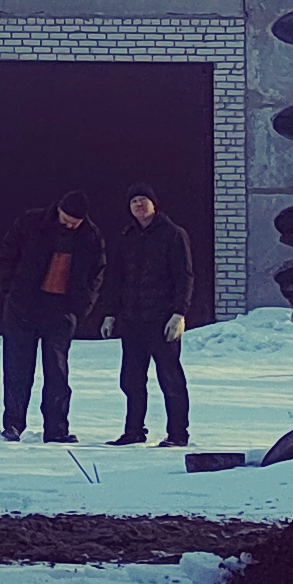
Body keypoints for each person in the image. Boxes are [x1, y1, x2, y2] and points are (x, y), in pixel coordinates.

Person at [0, 191, 106, 441]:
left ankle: (56, 430)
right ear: (59, 210)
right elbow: (7, 253)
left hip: (61, 310)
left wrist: (80, 308)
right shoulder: (31, 222)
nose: (69, 225)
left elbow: (96, 275)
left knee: (57, 372)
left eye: (75, 223)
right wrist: (9, 288)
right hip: (23, 306)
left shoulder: (91, 237)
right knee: (17, 368)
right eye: (66, 220)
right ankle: (13, 425)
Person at [107, 188, 193, 446]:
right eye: (133, 201)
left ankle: (178, 434)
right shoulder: (127, 237)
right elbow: (116, 278)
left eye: (142, 200)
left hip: (162, 319)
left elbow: (184, 276)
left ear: (154, 204)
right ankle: (133, 431)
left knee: (170, 379)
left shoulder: (173, 234)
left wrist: (179, 313)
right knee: (131, 380)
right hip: (132, 320)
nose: (138, 205)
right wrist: (110, 313)